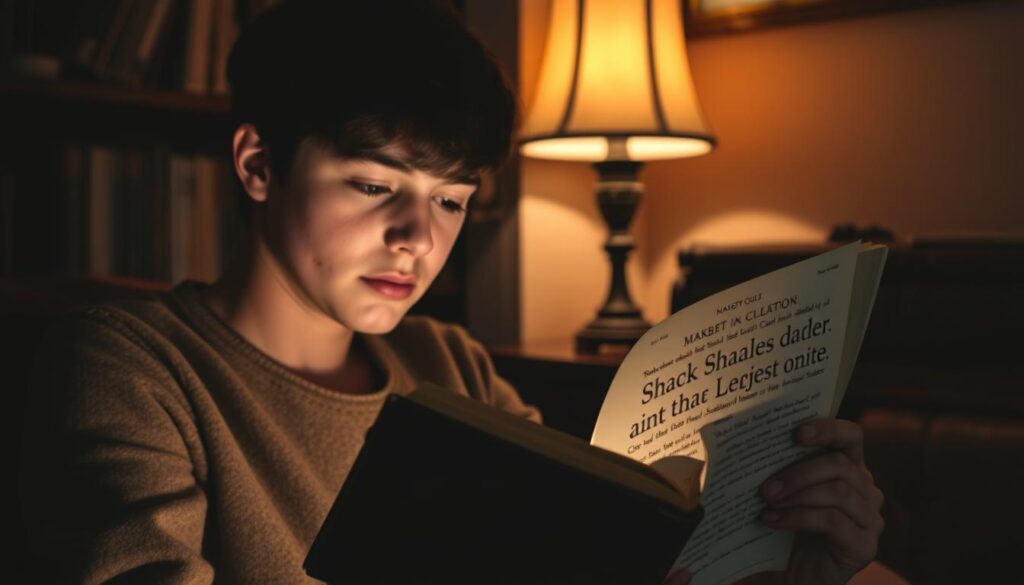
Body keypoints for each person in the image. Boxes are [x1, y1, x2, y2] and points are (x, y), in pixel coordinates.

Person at [18, 1, 884, 583]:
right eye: (372, 186)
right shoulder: (126, 365)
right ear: (258, 164)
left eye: (452, 199)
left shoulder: (451, 366)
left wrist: (783, 557)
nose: (419, 238)